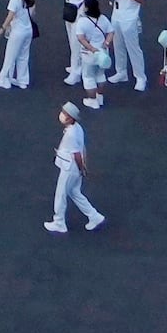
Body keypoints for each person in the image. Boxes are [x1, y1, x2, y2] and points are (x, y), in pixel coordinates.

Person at [45, 99, 105, 235]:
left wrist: (81, 168)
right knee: (74, 193)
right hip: (74, 167)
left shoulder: (71, 134)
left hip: (70, 168)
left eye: (64, 113)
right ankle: (94, 216)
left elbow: (76, 153)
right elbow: (82, 148)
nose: (61, 114)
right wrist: (83, 166)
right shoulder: (77, 128)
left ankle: (59, 222)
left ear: (70, 117)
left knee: (61, 194)